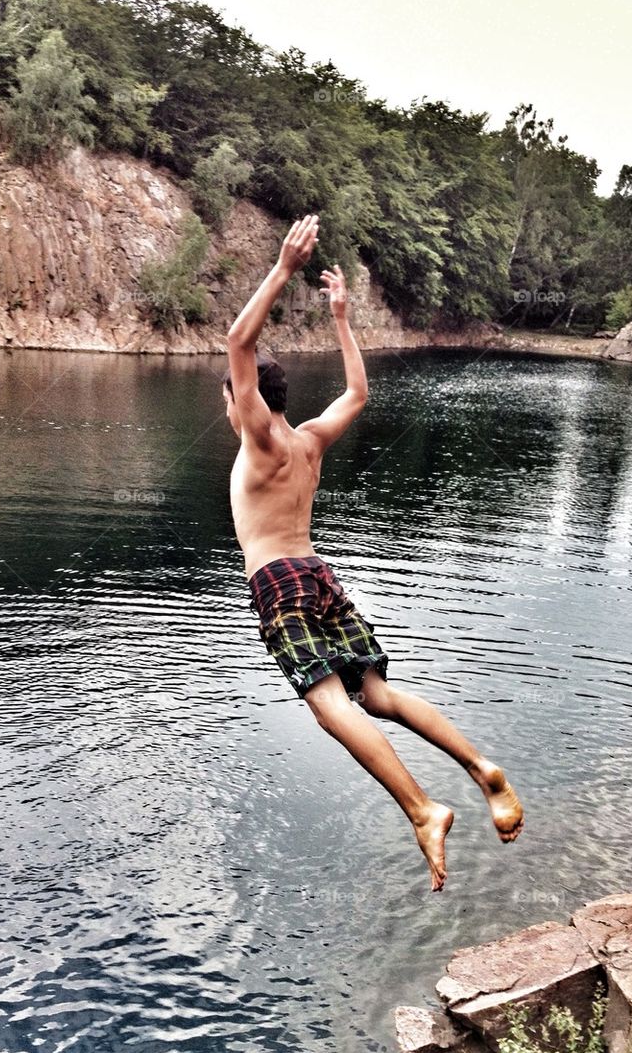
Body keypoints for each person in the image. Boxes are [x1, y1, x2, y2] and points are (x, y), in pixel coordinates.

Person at [223, 214, 524, 892]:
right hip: (321, 575)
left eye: (234, 397)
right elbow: (357, 391)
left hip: (279, 581)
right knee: (378, 693)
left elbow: (238, 341)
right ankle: (481, 767)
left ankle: (423, 809)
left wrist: (282, 270)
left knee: (330, 705)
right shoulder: (308, 440)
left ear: (241, 402)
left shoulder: (262, 442)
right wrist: (341, 319)